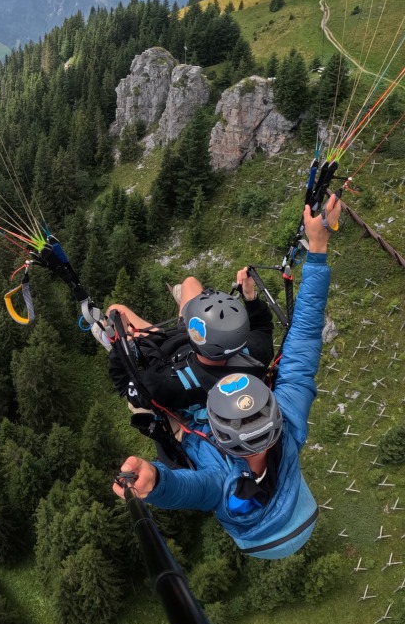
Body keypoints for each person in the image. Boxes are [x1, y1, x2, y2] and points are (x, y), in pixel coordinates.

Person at [112, 194, 341, 559]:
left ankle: (180, 311)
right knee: (122, 317)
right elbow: (306, 338)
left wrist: (155, 482)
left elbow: (186, 488)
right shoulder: (289, 425)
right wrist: (317, 248)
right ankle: (177, 315)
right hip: (185, 387)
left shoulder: (229, 478)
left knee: (125, 319)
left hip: (179, 412)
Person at [104, 267, 275, 418]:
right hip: (190, 345)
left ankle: (107, 333)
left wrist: (117, 345)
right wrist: (249, 294)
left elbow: (126, 387)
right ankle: (184, 307)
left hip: (163, 352)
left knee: (115, 310)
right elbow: (262, 325)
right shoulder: (257, 351)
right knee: (190, 282)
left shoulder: (164, 385)